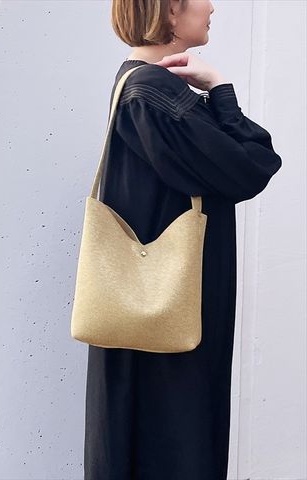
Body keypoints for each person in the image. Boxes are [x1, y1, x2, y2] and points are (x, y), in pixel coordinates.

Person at [83, 0, 283, 479]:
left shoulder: (139, 85)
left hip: (153, 308)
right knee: (176, 436)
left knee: (143, 431)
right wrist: (220, 90)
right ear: (170, 11)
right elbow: (253, 165)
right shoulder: (154, 94)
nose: (212, 6)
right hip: (175, 310)